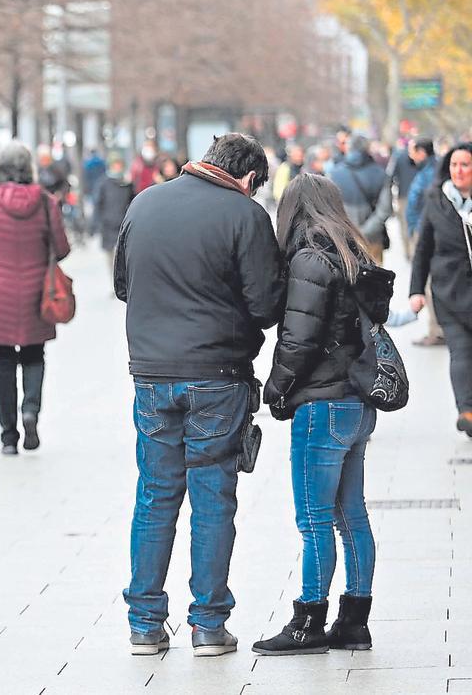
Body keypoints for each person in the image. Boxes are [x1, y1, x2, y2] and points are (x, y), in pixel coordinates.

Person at [114, 133, 284, 658]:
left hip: (151, 375)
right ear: (250, 179)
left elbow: (123, 284)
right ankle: (208, 624)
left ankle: (145, 624)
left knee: (155, 495)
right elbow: (265, 307)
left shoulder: (144, 203)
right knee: (213, 497)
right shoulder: (245, 215)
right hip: (218, 374)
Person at [252, 173, 387, 656]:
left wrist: (277, 388)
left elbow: (299, 339)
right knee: (351, 515)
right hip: (356, 402)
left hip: (322, 404)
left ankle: (308, 622)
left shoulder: (310, 258)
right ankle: (355, 621)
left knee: (313, 519)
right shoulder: (353, 253)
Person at [0, 141, 70, 455]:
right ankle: (30, 411)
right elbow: (61, 249)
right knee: (35, 356)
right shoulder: (47, 203)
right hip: (38, 293)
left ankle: (9, 437)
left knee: (3, 364)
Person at [409, 143, 472, 436]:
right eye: (454, 165)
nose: (458, 171)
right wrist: (416, 290)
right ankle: (466, 411)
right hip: (449, 292)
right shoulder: (436, 199)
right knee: (460, 351)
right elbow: (423, 248)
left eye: (465, 165)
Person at [327, 136, 392, 264]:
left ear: (348, 148)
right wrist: (365, 231)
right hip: (373, 238)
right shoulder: (381, 174)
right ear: (367, 149)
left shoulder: (333, 174)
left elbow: (328, 207)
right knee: (376, 279)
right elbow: (385, 209)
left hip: (343, 238)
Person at [405, 138, 443, 346]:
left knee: (428, 283)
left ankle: (436, 330)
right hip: (420, 228)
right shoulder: (427, 170)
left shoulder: (431, 173)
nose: (410, 155)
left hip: (424, 230)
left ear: (422, 152)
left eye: (413, 151)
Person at [94, 153, 134, 284]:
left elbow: (133, 201)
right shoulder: (103, 183)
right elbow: (98, 203)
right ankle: (114, 283)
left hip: (124, 225)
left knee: (123, 255)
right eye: (115, 165)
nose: (117, 167)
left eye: (119, 165)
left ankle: (125, 281)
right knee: (110, 257)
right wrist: (98, 223)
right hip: (108, 225)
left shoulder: (127, 183)